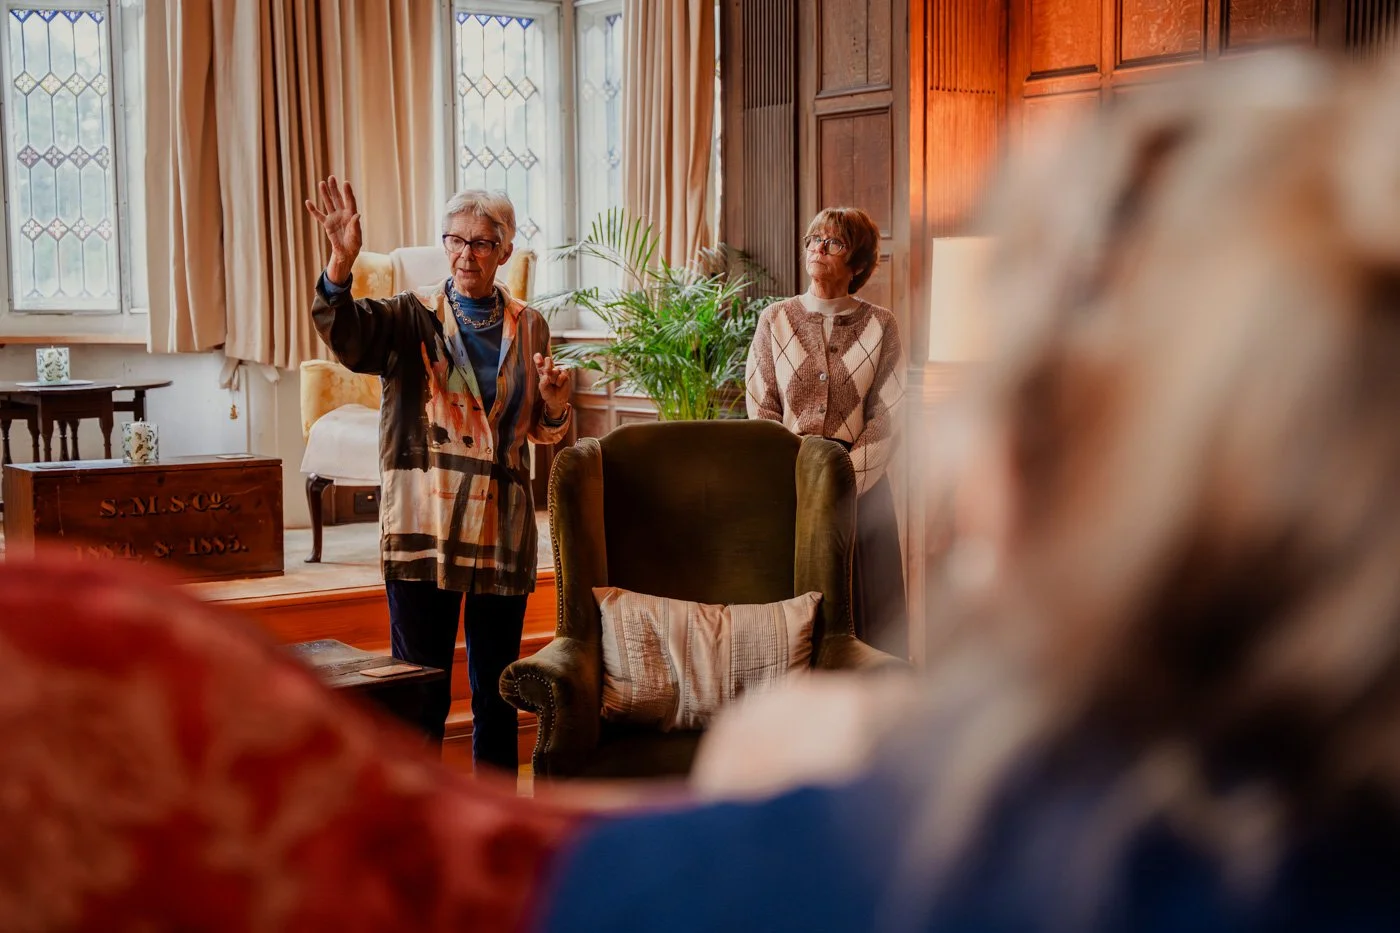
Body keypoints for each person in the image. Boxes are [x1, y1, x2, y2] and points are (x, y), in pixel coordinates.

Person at [531, 51, 1400, 930]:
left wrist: (783, 809)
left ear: (1010, 474)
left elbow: (889, 416)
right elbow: (763, 405)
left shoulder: (686, 886)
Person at [304, 178, 573, 772]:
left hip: (499, 532)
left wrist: (554, 403)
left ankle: (495, 832)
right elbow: (345, 334)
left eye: (481, 243)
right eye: (456, 240)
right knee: (422, 695)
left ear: (505, 251)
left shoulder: (530, 327)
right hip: (423, 525)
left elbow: (540, 432)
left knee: (495, 699)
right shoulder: (409, 316)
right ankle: (425, 831)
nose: (466, 254)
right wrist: (340, 262)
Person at [744, 207, 909, 658]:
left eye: (833, 243)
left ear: (857, 264)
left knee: (864, 619)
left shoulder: (882, 326)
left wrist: (842, 482)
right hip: (790, 487)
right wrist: (797, 482)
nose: (818, 249)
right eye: (813, 240)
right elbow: (762, 407)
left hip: (862, 489)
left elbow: (889, 417)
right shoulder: (774, 320)